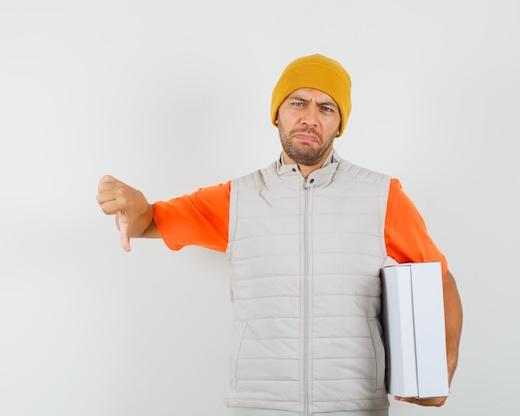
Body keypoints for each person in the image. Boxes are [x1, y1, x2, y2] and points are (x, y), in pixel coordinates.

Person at [96, 54, 463, 416]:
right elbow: (149, 221)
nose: (310, 118)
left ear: (340, 123)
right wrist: (135, 204)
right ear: (277, 113)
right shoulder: (236, 199)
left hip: (353, 407)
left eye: (326, 108)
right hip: (259, 405)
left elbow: (439, 276)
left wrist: (442, 368)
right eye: (298, 103)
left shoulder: (382, 196)